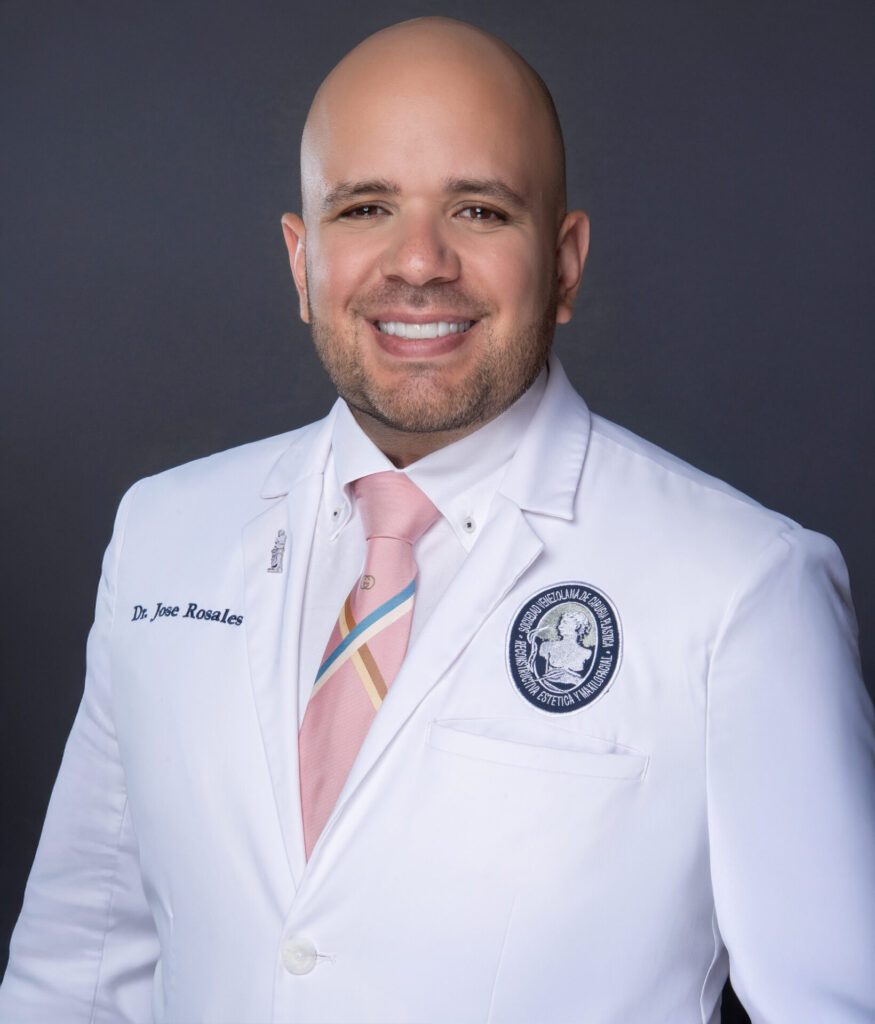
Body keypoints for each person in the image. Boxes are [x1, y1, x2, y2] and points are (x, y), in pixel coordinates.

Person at [1, 15, 872, 1023]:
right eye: (365, 207)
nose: (418, 262)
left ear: (565, 262)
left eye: (479, 210)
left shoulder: (741, 588)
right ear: (300, 260)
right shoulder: (162, 537)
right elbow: (76, 973)